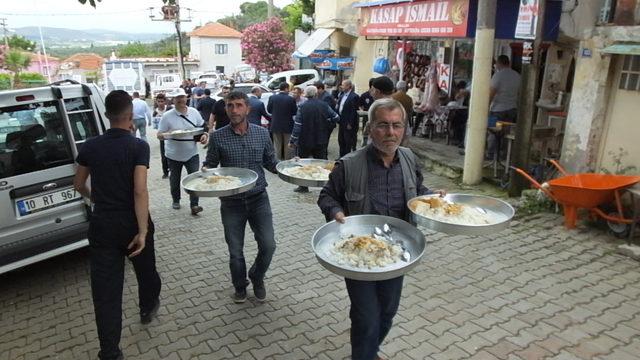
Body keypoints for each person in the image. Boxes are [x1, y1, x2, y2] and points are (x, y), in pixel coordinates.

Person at [318, 98, 435, 360]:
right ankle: (364, 354)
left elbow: (418, 191)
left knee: (387, 312)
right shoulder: (348, 165)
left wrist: (431, 198)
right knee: (367, 316)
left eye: (397, 126)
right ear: (369, 128)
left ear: (404, 128)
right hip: (360, 254)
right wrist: (335, 212)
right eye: (383, 125)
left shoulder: (407, 158)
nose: (391, 133)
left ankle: (368, 349)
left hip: (396, 252)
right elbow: (327, 196)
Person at [73, 90, 161, 360]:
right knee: (146, 271)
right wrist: (143, 230)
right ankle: (147, 308)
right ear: (131, 116)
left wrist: (96, 197)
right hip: (133, 222)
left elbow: (78, 185)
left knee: (106, 291)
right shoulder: (138, 146)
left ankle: (110, 351)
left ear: (106, 115)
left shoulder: (89, 145)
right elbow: (139, 190)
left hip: (103, 225)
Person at [203, 91, 278, 304]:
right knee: (235, 251)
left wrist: (289, 167)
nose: (234, 110)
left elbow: (271, 162)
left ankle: (257, 276)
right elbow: (211, 162)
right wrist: (206, 170)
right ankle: (240, 285)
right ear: (225, 109)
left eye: (238, 105)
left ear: (248, 108)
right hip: (231, 202)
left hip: (258, 199)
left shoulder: (262, 133)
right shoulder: (218, 136)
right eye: (229, 106)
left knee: (269, 245)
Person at [157, 88, 209, 215]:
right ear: (173, 100)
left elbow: (203, 127)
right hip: (173, 154)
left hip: (192, 153)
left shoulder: (194, 112)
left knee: (195, 179)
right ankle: (176, 199)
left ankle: (194, 205)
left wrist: (204, 135)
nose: (180, 99)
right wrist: (168, 135)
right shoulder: (167, 116)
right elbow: (159, 134)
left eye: (182, 97)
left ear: (186, 98)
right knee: (175, 179)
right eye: (177, 98)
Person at [288, 85, 339, 193]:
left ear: (306, 94)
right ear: (316, 94)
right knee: (323, 162)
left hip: (304, 139)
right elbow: (336, 117)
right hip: (321, 138)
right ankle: (326, 187)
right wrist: (328, 123)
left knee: (302, 163)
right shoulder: (324, 105)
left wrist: (292, 140)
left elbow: (297, 125)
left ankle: (303, 186)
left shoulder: (302, 106)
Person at [267, 82, 297, 160]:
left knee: (277, 146)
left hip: (275, 124)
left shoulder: (272, 97)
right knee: (288, 146)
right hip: (288, 125)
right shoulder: (291, 99)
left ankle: (277, 162)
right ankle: (287, 162)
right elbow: (295, 112)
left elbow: (269, 110)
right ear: (286, 88)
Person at [490, 55, 521, 123]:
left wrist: (486, 109)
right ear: (509, 63)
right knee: (508, 132)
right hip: (512, 109)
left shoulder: (497, 76)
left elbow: (491, 93)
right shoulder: (517, 75)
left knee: (492, 130)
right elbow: (520, 93)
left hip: (497, 110)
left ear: (498, 63)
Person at [336, 79, 360, 157]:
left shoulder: (354, 96)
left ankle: (347, 157)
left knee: (347, 141)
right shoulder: (342, 95)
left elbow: (353, 111)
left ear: (348, 86)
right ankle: (341, 156)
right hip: (341, 121)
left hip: (348, 123)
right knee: (341, 140)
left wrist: (350, 123)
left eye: (343, 85)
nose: (341, 87)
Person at [153, 93, 173, 179]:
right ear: (156, 102)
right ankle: (165, 172)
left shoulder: (169, 109)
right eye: (159, 101)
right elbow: (155, 127)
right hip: (162, 136)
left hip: (171, 135)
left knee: (172, 154)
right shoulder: (155, 112)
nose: (160, 103)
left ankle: (173, 170)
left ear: (165, 101)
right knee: (163, 155)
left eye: (162, 101)